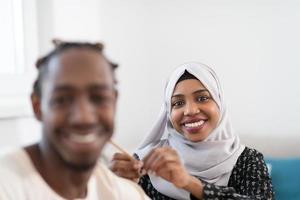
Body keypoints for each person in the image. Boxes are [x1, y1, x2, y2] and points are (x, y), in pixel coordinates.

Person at [0, 40, 150, 200]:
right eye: (62, 99)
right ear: (37, 106)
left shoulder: (119, 192)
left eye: (99, 98)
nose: (83, 117)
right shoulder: (7, 186)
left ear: (114, 102)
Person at [110, 62, 274, 199]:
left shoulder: (248, 160)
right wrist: (119, 186)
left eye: (202, 98)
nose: (190, 110)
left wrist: (189, 182)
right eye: (178, 103)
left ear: (219, 103)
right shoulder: (147, 159)